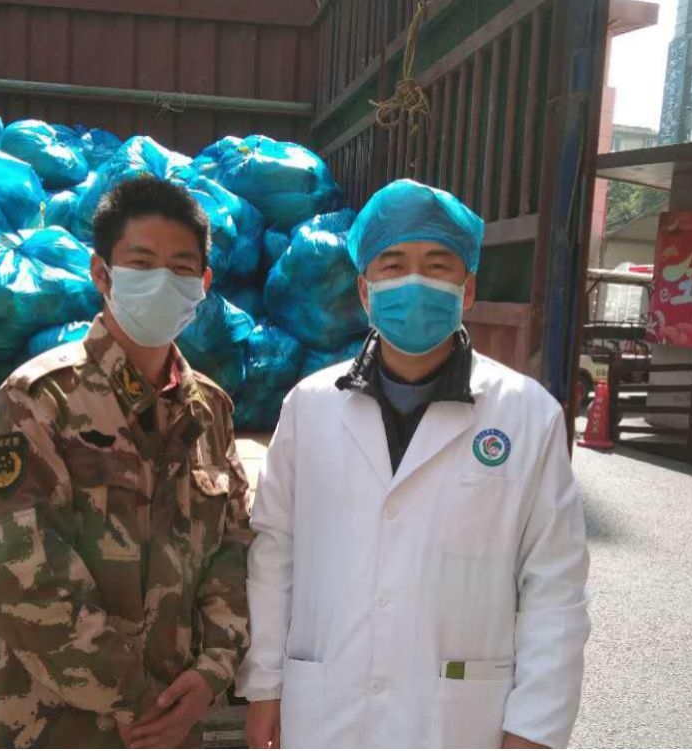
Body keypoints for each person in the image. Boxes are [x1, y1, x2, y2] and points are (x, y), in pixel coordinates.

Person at [238, 179, 590, 749]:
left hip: (456, 721)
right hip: (326, 706)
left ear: (467, 289)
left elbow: (555, 584)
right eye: (394, 264)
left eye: (437, 265)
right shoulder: (309, 406)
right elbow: (275, 553)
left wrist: (535, 728)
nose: (415, 281)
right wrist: (264, 687)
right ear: (364, 289)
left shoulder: (527, 416)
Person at [0, 176, 252, 748]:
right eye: (141, 264)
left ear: (203, 285)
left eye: (181, 268)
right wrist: (141, 705)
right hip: (52, 729)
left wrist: (212, 674)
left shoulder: (210, 410)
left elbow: (234, 550)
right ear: (102, 273)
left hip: (172, 724)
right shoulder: (37, 401)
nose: (162, 281)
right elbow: (27, 582)